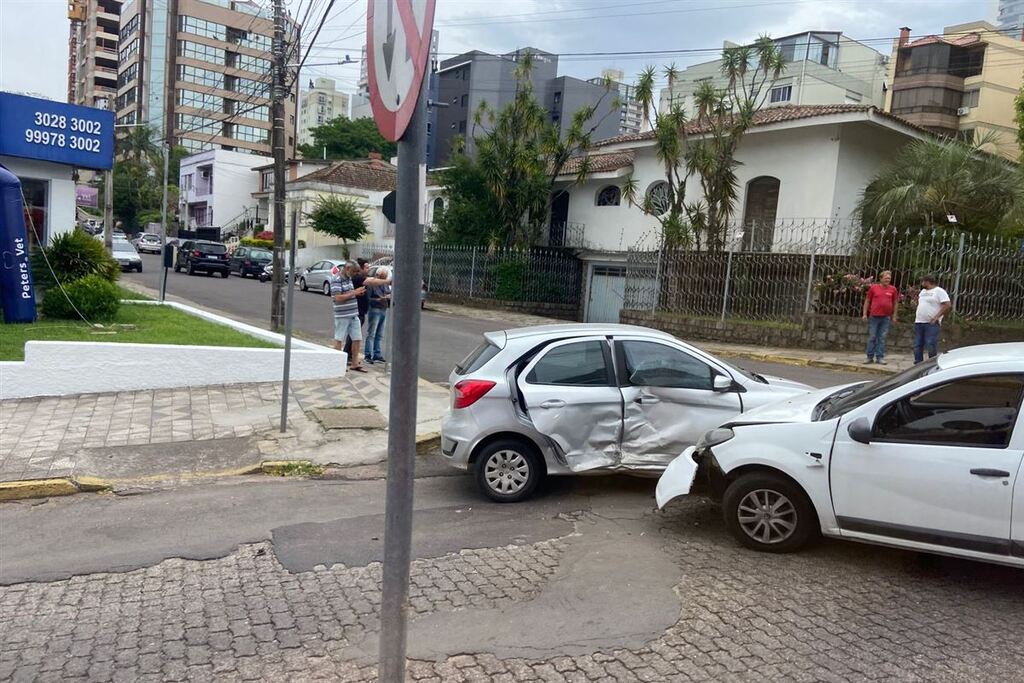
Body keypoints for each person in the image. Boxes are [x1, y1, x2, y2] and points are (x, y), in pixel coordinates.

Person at [861, 270, 899, 365]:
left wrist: (894, 315)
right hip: (874, 317)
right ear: (881, 278)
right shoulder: (874, 288)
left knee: (882, 338)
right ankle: (869, 357)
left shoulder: (893, 289)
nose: (888, 280)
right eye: (886, 278)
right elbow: (867, 301)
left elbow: (895, 303)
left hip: (886, 317)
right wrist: (864, 314)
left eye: (889, 278)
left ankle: (880, 357)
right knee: (872, 337)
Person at [913, 274, 951, 364]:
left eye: (923, 281)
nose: (922, 283)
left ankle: (932, 363)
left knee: (930, 343)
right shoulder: (922, 292)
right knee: (917, 344)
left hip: (931, 323)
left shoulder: (939, 291)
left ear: (927, 282)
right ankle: (918, 362)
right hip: (919, 321)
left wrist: (936, 317)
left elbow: (947, 305)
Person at [342, 258, 371, 359]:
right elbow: (371, 281)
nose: (368, 269)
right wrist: (387, 280)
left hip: (361, 310)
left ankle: (349, 356)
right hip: (356, 310)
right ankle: (347, 355)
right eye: (366, 267)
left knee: (355, 336)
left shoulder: (360, 278)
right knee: (353, 336)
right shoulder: (358, 278)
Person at [364, 266, 391, 364]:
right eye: (382, 277)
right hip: (374, 309)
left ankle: (377, 354)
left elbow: (388, 292)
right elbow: (367, 298)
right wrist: (377, 299)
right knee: (372, 333)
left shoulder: (384, 284)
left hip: (383, 308)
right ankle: (368, 355)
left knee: (379, 334)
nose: (383, 279)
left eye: (385, 277)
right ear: (378, 275)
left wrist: (388, 297)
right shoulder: (372, 284)